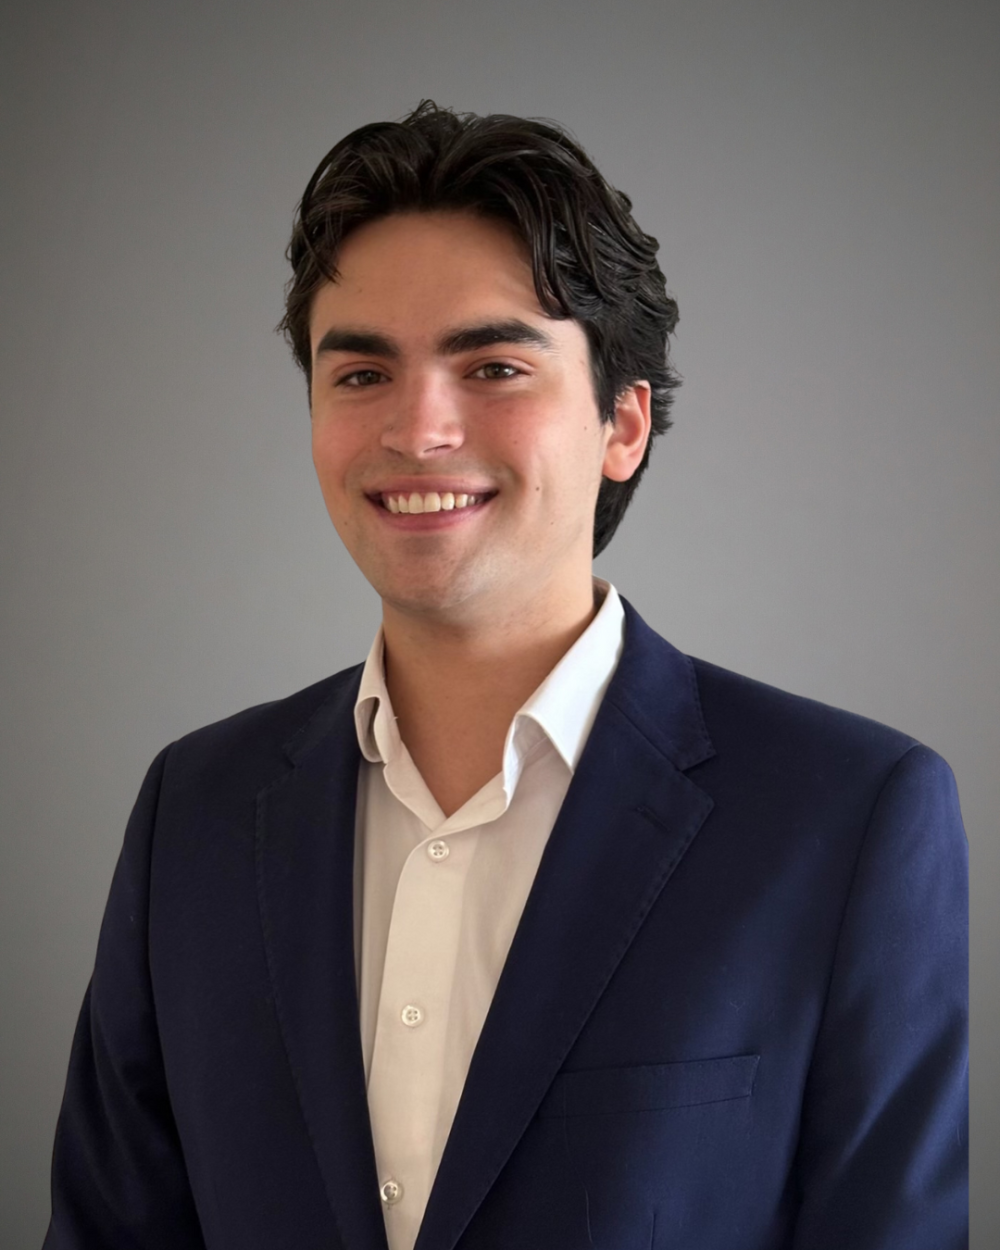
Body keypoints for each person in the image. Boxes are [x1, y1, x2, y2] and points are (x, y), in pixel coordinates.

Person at [44, 102, 968, 1250]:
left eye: (491, 364)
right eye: (362, 372)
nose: (418, 428)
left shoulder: (847, 817)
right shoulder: (197, 808)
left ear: (622, 424)